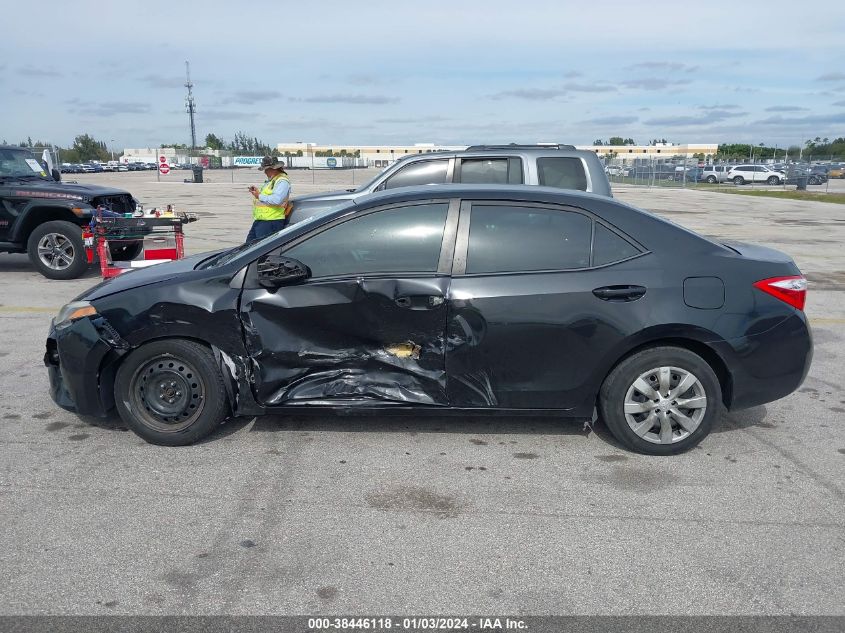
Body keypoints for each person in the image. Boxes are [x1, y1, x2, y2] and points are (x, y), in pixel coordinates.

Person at [246, 156, 292, 242]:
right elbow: (266, 197)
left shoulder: (282, 181)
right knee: (248, 247)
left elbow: (276, 200)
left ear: (273, 169)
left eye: (266, 169)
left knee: (261, 250)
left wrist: (258, 196)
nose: (265, 172)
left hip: (271, 222)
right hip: (261, 221)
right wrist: (257, 192)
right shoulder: (271, 181)